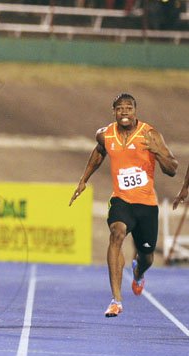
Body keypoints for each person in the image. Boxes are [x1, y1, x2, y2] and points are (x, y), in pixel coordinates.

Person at [69, 93, 177, 318]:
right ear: (114, 112)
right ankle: (116, 300)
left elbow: (173, 168)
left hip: (146, 204)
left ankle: (138, 272)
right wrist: (83, 180)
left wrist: (157, 152)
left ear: (135, 111)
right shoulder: (105, 135)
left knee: (147, 256)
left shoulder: (150, 134)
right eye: (120, 108)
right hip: (121, 200)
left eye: (129, 108)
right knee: (116, 234)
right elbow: (99, 153)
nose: (124, 112)